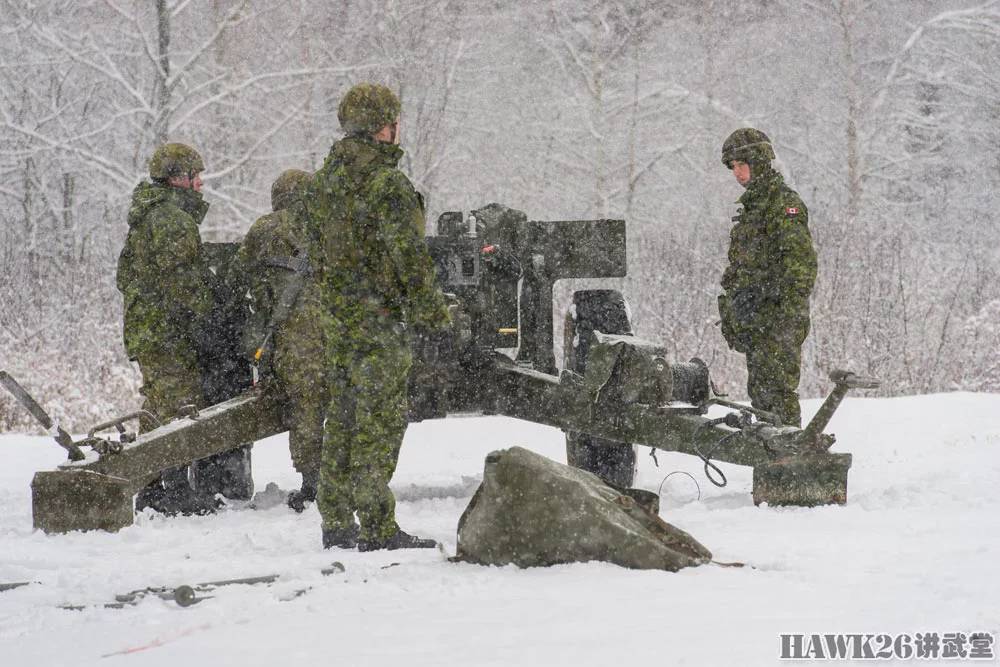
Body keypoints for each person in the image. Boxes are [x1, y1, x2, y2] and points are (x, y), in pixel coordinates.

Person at [307, 82, 451, 550]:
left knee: (343, 417)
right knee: (380, 418)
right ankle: (376, 524)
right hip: (379, 319)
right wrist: (433, 316)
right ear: (383, 128)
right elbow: (410, 258)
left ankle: (335, 520)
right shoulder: (388, 185)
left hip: (337, 318)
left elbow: (313, 250)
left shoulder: (324, 183)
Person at [116, 142, 219, 514]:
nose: (200, 183)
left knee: (160, 405)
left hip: (152, 329)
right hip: (166, 331)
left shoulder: (150, 215)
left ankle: (154, 486)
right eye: (195, 176)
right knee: (178, 405)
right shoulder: (171, 219)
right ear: (179, 178)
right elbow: (184, 282)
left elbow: (129, 276)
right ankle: (172, 491)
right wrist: (213, 314)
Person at [236, 169, 326, 510]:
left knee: (306, 407)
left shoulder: (265, 229)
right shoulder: (328, 227)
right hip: (333, 332)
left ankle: (312, 481)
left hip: (291, 337)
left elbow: (239, 273)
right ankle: (338, 478)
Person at [717, 128, 817, 427]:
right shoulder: (753, 207)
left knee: (778, 394)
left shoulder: (782, 204)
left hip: (779, 320)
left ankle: (788, 466)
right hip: (759, 321)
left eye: (741, 164)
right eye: (733, 167)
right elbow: (746, 268)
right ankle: (772, 466)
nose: (737, 173)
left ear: (759, 161)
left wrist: (773, 307)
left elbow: (801, 268)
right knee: (761, 395)